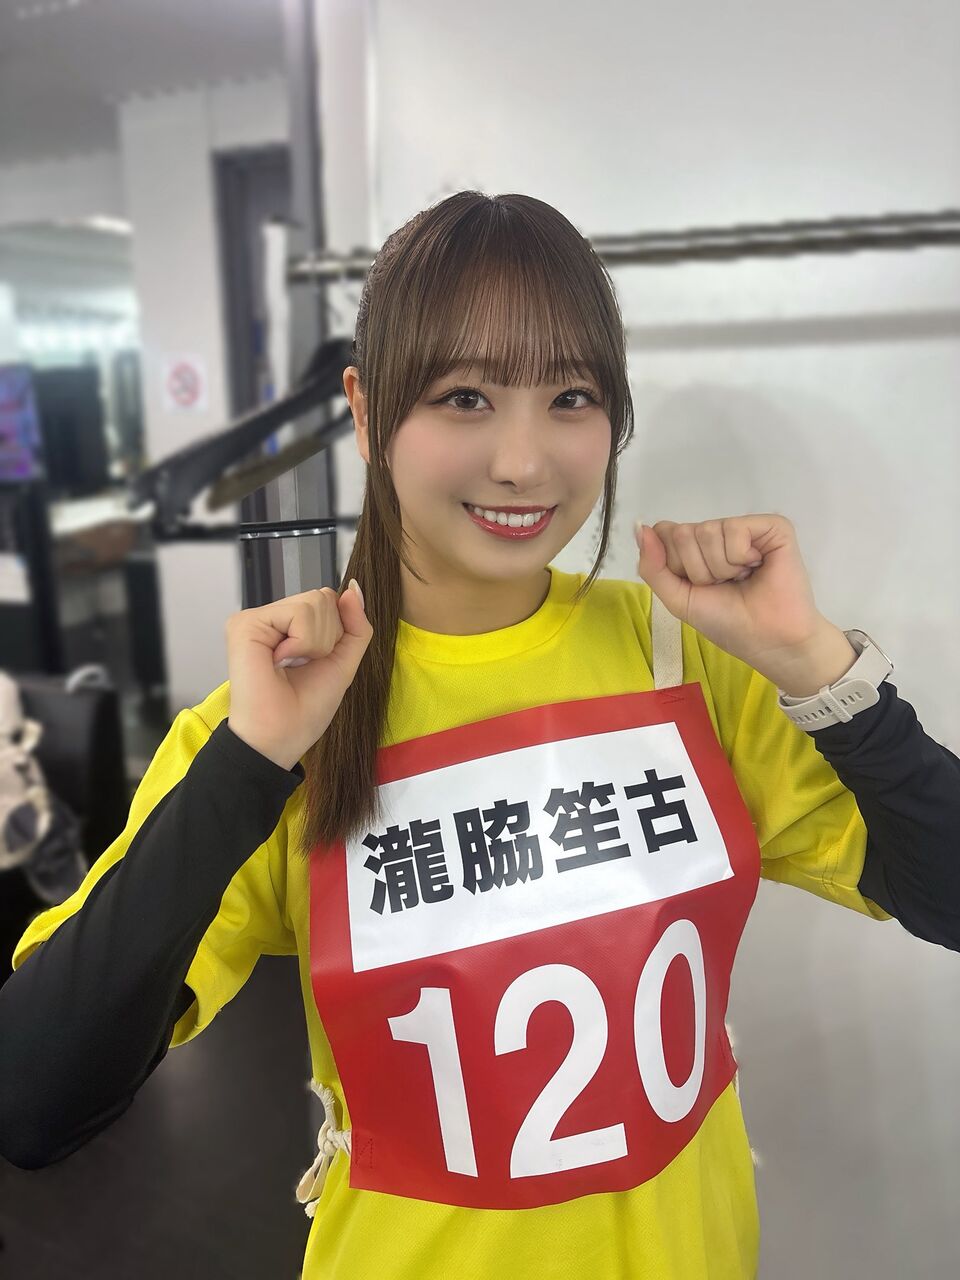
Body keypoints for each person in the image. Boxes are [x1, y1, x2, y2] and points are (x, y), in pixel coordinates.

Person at [2, 190, 959, 1280]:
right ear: (366, 410)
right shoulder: (276, 721)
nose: (524, 461)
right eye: (465, 396)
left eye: (571, 397)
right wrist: (246, 768)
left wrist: (820, 669)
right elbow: (33, 1097)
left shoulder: (685, 661)